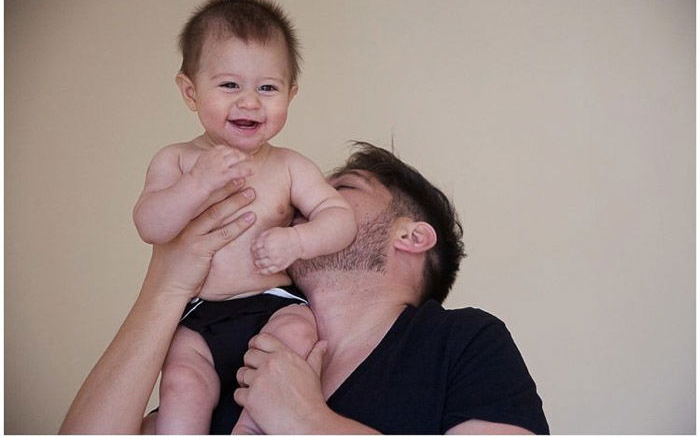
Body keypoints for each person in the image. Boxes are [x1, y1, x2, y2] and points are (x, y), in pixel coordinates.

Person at [60, 142, 549, 435]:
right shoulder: (230, 360)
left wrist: (308, 422)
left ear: (411, 236)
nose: (302, 202)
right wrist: (165, 286)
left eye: (341, 189)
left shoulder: (464, 341)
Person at [131, 0, 357, 434]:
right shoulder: (176, 160)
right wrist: (196, 185)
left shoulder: (289, 165)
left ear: (290, 95)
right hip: (199, 314)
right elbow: (149, 224)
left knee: (295, 338)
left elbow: (339, 217)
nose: (250, 102)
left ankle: (250, 430)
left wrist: (298, 240)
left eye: (267, 88)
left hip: (272, 305)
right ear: (191, 92)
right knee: (180, 381)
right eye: (229, 85)